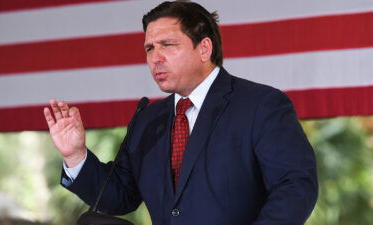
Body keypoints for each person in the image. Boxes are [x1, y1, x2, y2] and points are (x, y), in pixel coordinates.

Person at [44, 1, 318, 224]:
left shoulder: (261, 104)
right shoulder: (148, 119)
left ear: (204, 48)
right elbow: (120, 198)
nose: (155, 57)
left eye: (168, 45)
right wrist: (75, 155)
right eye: (150, 48)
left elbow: (295, 187)